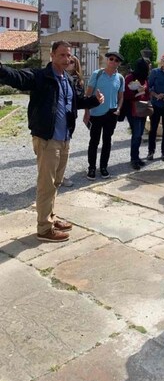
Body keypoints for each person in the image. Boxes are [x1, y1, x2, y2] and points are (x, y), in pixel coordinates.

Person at [0, 41, 103, 242]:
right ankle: (44, 229)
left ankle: (50, 217)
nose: (67, 59)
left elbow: (75, 102)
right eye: (62, 55)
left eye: (69, 56)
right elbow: (17, 77)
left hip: (64, 139)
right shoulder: (41, 77)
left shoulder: (68, 80)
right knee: (46, 185)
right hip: (47, 139)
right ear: (52, 56)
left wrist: (93, 101)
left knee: (55, 183)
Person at [85, 51, 125, 180]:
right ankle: (91, 168)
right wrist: (86, 112)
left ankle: (103, 167)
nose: (113, 62)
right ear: (107, 60)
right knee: (94, 141)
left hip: (111, 113)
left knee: (107, 142)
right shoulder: (97, 74)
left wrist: (118, 108)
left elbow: (121, 96)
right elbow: (88, 94)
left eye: (116, 60)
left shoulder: (120, 78)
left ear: (119, 63)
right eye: (111, 59)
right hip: (96, 113)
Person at [61, 55, 85, 187]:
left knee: (65, 147)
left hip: (69, 118)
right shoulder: (58, 76)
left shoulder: (77, 81)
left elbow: (79, 100)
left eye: (71, 62)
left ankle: (61, 176)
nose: (68, 63)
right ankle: (56, 176)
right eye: (67, 61)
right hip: (58, 117)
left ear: (75, 65)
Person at [124, 58, 150, 170]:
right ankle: (133, 159)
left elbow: (147, 93)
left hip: (142, 109)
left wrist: (145, 93)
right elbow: (126, 94)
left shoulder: (144, 78)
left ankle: (137, 157)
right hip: (132, 109)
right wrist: (137, 92)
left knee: (139, 135)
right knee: (136, 134)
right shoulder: (130, 78)